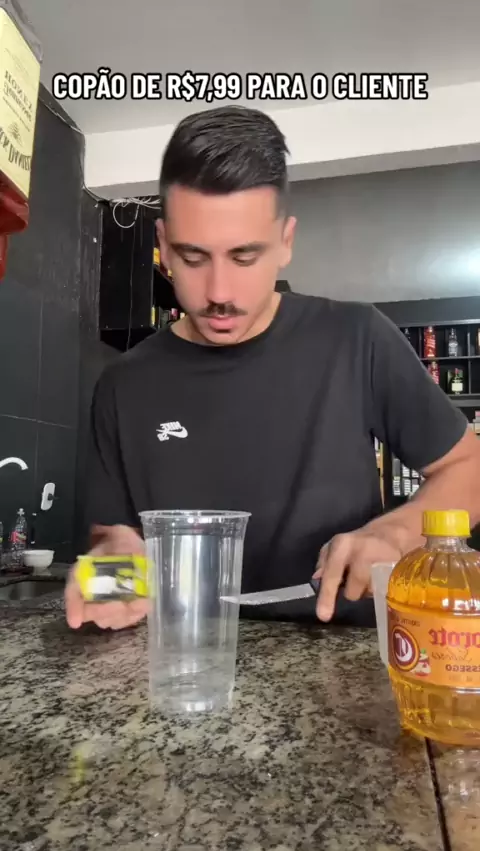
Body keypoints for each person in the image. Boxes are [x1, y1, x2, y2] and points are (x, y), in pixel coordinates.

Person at [66, 105, 480, 631]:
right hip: (183, 649)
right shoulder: (123, 384)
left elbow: (468, 468)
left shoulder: (356, 337)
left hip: (336, 650)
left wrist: (394, 534)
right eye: (193, 258)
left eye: (244, 257)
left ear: (286, 241)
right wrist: (111, 574)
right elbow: (112, 536)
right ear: (164, 245)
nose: (219, 292)